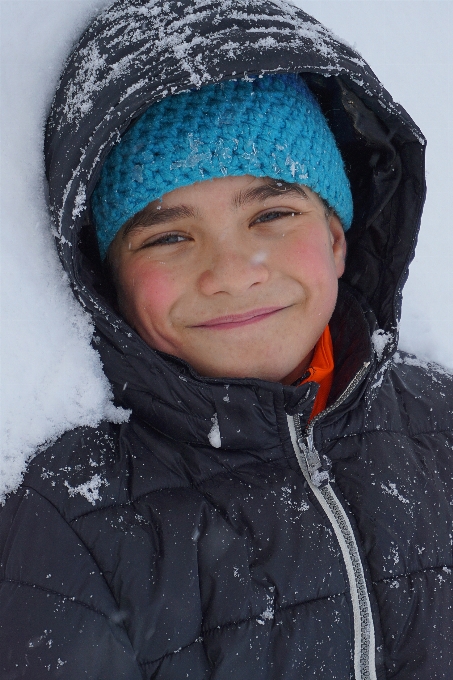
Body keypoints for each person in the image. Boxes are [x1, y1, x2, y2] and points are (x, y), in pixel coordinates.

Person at [1, 0, 452, 678]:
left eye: (271, 213)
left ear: (335, 240)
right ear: (109, 280)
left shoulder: (440, 425)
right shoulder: (73, 514)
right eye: (169, 236)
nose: (232, 274)